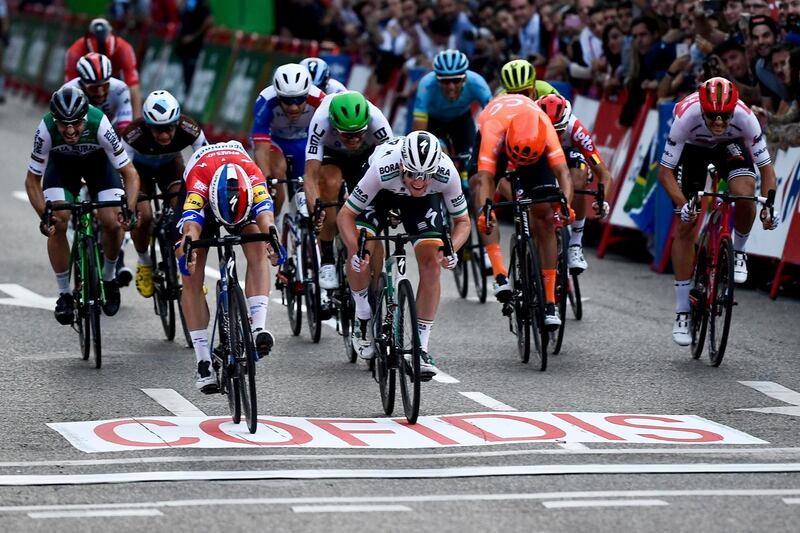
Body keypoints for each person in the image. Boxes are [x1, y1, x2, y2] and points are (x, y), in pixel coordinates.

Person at [337, 131, 471, 376]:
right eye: (412, 174)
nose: (419, 182)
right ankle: (363, 316)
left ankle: (420, 347)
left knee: (432, 263)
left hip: (421, 204)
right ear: (402, 165)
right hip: (380, 194)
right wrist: (355, 249)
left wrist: (452, 248)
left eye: (425, 176)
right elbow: (345, 215)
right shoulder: (382, 168)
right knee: (363, 249)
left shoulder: (445, 172)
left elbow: (463, 221)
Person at [656, 77, 778, 346]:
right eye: (713, 116)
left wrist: (768, 205)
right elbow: (664, 172)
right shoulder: (685, 116)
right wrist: (682, 204)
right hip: (692, 151)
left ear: (734, 109)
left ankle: (740, 251)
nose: (720, 122)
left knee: (745, 193)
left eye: (725, 116)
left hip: (729, 148)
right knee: (687, 225)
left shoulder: (746, 119)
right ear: (702, 109)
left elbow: (767, 170)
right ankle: (682, 312)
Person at [25, 86, 140, 323]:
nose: (69, 130)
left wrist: (128, 209)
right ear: (54, 120)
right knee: (57, 222)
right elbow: (32, 181)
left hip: (98, 166)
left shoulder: (99, 123)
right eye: (63, 124)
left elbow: (130, 173)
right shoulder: (45, 129)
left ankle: (108, 280)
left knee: (113, 222)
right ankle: (65, 295)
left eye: (76, 123)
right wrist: (43, 216)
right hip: (62, 169)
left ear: (84, 118)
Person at [176, 141, 282, 392]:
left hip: (240, 197)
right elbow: (191, 227)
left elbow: (267, 220)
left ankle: (257, 328)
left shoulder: (255, 179)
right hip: (204, 192)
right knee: (190, 270)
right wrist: (187, 251)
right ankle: (202, 359)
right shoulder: (198, 183)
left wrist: (275, 246)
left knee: (257, 244)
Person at [471, 94, 574, 326]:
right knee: (482, 198)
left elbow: (564, 175)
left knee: (546, 218)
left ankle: (549, 303)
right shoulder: (492, 132)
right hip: (500, 134)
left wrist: (565, 204)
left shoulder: (546, 129)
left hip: (533, 147)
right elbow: (487, 178)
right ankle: (498, 274)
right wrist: (487, 210)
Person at [303, 91, 393, 291]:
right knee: (329, 184)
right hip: (332, 155)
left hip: (365, 157)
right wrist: (317, 210)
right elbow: (310, 176)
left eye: (359, 132)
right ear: (334, 125)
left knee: (371, 211)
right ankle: (327, 258)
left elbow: (391, 168)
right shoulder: (321, 120)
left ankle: (378, 290)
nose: (353, 139)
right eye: (346, 134)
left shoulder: (377, 120)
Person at [123, 90, 208, 298]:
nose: (164, 135)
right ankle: (144, 263)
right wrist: (129, 204)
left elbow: (206, 160)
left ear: (177, 123)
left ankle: (187, 274)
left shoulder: (190, 128)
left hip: (170, 167)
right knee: (144, 216)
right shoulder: (133, 133)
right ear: (147, 126)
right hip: (139, 172)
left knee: (182, 211)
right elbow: (123, 170)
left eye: (168, 129)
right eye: (157, 130)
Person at [536, 93, 612, 272]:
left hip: (569, 154)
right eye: (551, 130)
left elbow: (604, 174)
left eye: (560, 130)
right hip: (541, 152)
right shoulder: (532, 124)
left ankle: (575, 244)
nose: (556, 135)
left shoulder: (576, 129)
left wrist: (602, 200)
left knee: (578, 181)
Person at [251, 63, 326, 218]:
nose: (293, 107)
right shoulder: (265, 101)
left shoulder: (320, 100)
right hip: (274, 142)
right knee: (277, 175)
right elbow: (261, 150)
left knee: (313, 186)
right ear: (278, 96)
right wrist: (267, 181)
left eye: (299, 100)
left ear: (307, 94)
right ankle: (274, 221)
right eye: (287, 100)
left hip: (302, 142)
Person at [412, 49, 492, 158]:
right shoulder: (427, 84)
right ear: (437, 79)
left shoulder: (477, 82)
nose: (451, 86)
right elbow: (419, 130)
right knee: (432, 155)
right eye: (445, 81)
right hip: (433, 123)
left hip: (462, 121)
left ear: (464, 78)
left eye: (456, 80)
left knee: (471, 157)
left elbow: (493, 115)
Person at [64, 18, 142, 117]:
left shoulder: (124, 48)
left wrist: (136, 122)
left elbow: (134, 88)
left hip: (112, 82)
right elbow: (69, 89)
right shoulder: (75, 51)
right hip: (86, 87)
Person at [64, 53, 133, 133]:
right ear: (82, 84)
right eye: (94, 88)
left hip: (111, 130)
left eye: (105, 86)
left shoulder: (120, 89)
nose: (101, 93)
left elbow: (125, 128)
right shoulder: (67, 91)